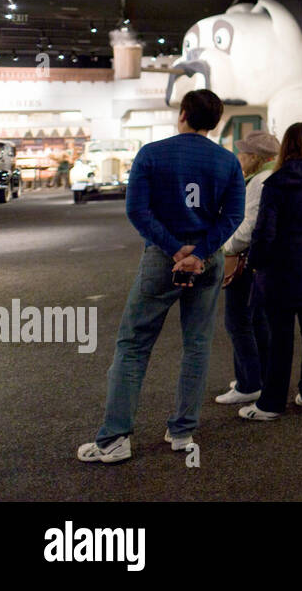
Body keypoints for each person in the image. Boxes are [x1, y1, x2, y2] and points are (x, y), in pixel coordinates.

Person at [77, 89, 245, 463]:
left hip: (162, 260)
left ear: (183, 113)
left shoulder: (151, 154)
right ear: (215, 122)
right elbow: (233, 217)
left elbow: (137, 211)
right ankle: (183, 431)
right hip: (208, 261)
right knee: (197, 345)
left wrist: (174, 250)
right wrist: (199, 253)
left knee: (134, 345)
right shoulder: (228, 161)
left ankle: (115, 439)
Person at [238, 122, 302, 421]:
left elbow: (265, 232)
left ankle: (271, 404)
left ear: (285, 147)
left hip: (279, 266)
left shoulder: (275, 183)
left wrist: (257, 263)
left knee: (280, 335)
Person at [213, 130, 280, 406]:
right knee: (257, 321)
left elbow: (249, 226)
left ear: (254, 157)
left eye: (242, 153)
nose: (238, 158)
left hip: (248, 260)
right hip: (265, 262)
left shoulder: (258, 182)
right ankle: (257, 376)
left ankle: (249, 383)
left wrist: (225, 247)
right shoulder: (271, 176)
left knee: (237, 321)